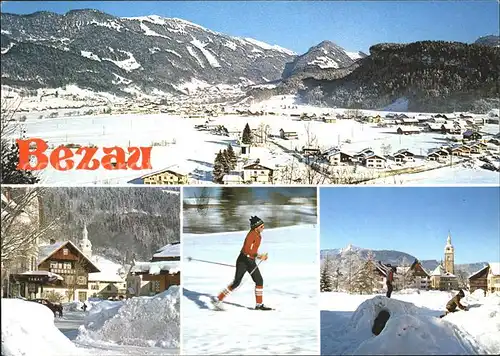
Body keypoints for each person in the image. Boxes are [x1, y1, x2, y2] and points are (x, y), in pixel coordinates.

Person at [212, 216, 272, 310]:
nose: (263, 228)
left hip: (250, 260)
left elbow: (252, 250)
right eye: (261, 226)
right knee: (236, 283)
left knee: (259, 280)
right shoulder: (251, 235)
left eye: (263, 226)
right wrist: (260, 256)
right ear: (256, 227)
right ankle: (218, 299)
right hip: (243, 260)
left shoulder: (258, 235)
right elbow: (247, 250)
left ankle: (259, 305)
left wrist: (259, 256)